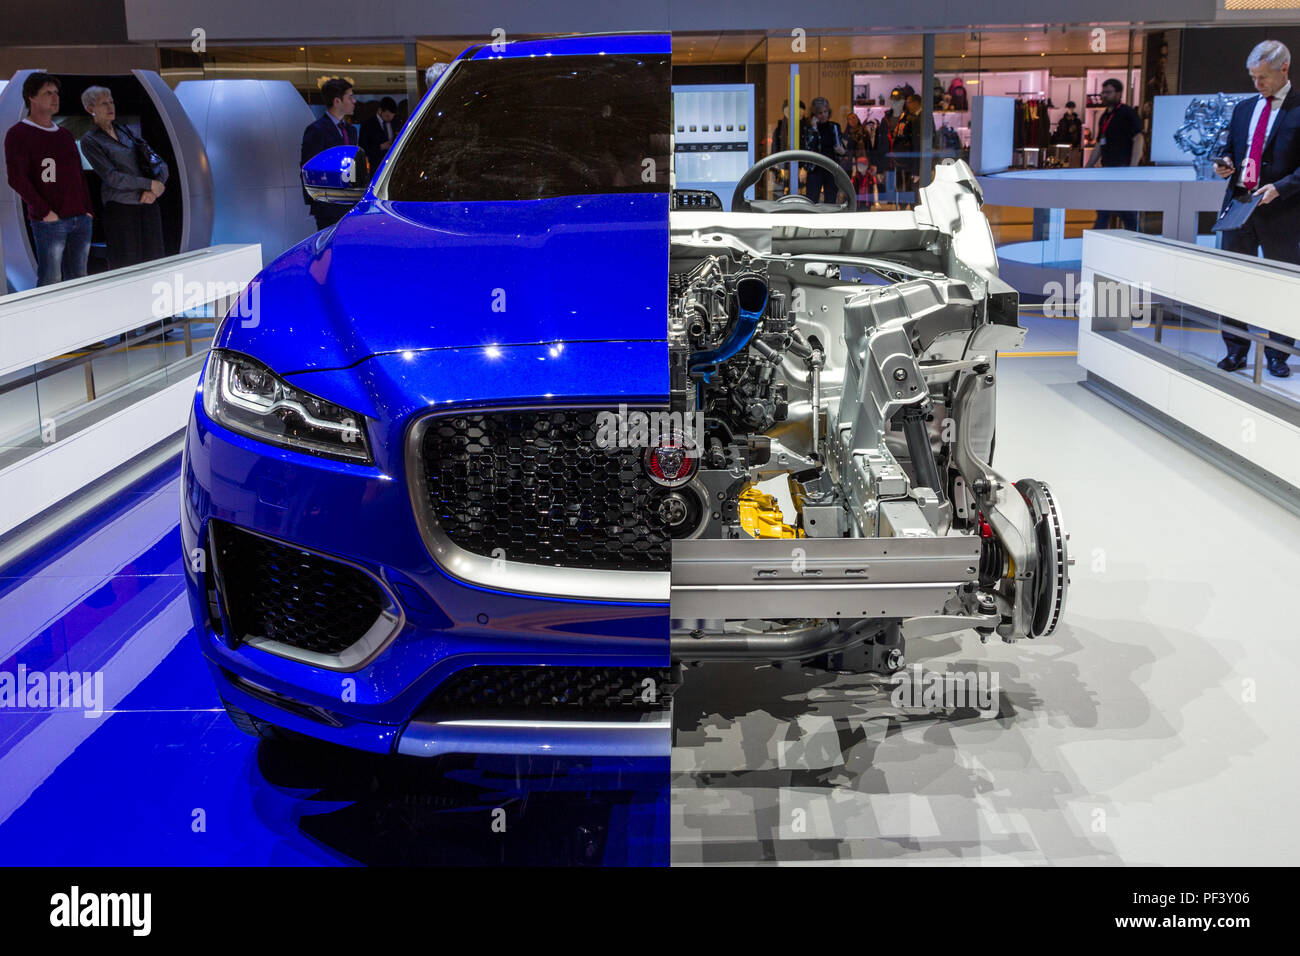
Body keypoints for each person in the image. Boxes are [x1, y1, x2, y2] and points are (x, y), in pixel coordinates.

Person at [1213, 40, 1300, 377]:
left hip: (1283, 211)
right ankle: (1235, 349)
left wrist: (1280, 188)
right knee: (1234, 281)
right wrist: (1225, 163)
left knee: (1283, 283)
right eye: (1253, 77)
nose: (1257, 84)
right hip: (1240, 206)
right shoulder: (1244, 108)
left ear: (1284, 69)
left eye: (1263, 77)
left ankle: (1278, 353)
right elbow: (1230, 148)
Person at [4, 73, 93, 286]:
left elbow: (78, 175)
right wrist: (44, 212)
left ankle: (77, 318)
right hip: (50, 221)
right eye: (47, 93)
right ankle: (47, 320)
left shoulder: (64, 135)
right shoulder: (19, 134)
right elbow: (17, 178)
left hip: (80, 219)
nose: (55, 98)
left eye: (56, 93)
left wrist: (88, 210)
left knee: (79, 279)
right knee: (51, 280)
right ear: (31, 97)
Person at [78, 86, 168, 271]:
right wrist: (149, 184)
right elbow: (112, 177)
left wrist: (153, 190)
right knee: (127, 266)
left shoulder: (126, 131)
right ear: (90, 109)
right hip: (121, 210)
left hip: (148, 205)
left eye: (111, 102)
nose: (110, 106)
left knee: (156, 263)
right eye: (104, 103)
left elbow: (157, 162)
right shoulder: (90, 140)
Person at [1085, 78, 1144, 230]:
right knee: (1109, 210)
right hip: (1107, 170)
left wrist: (1132, 168)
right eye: (1103, 92)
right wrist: (1089, 166)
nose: (1104, 95)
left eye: (1108, 92)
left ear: (1118, 93)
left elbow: (1138, 138)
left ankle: (1100, 241)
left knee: (1120, 211)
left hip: (1122, 170)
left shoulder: (1127, 113)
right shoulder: (1104, 116)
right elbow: (1099, 143)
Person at [301, 77, 358, 231]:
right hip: (328, 207)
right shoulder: (317, 130)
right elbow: (308, 169)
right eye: (350, 97)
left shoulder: (350, 130)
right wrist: (317, 203)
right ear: (337, 101)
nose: (354, 101)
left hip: (350, 204)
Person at [806, 97, 847, 204]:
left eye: (825, 112)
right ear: (814, 114)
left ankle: (830, 221)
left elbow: (841, 148)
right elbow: (809, 148)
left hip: (831, 168)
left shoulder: (834, 126)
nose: (823, 115)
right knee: (812, 201)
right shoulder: (809, 129)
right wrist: (814, 128)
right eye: (820, 113)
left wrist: (842, 151)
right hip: (815, 169)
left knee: (831, 201)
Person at [359, 96, 399, 171]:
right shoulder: (368, 125)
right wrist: (380, 147)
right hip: (376, 166)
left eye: (392, 116)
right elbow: (363, 149)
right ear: (380, 111)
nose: (390, 118)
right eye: (387, 116)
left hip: (393, 164)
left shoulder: (395, 122)